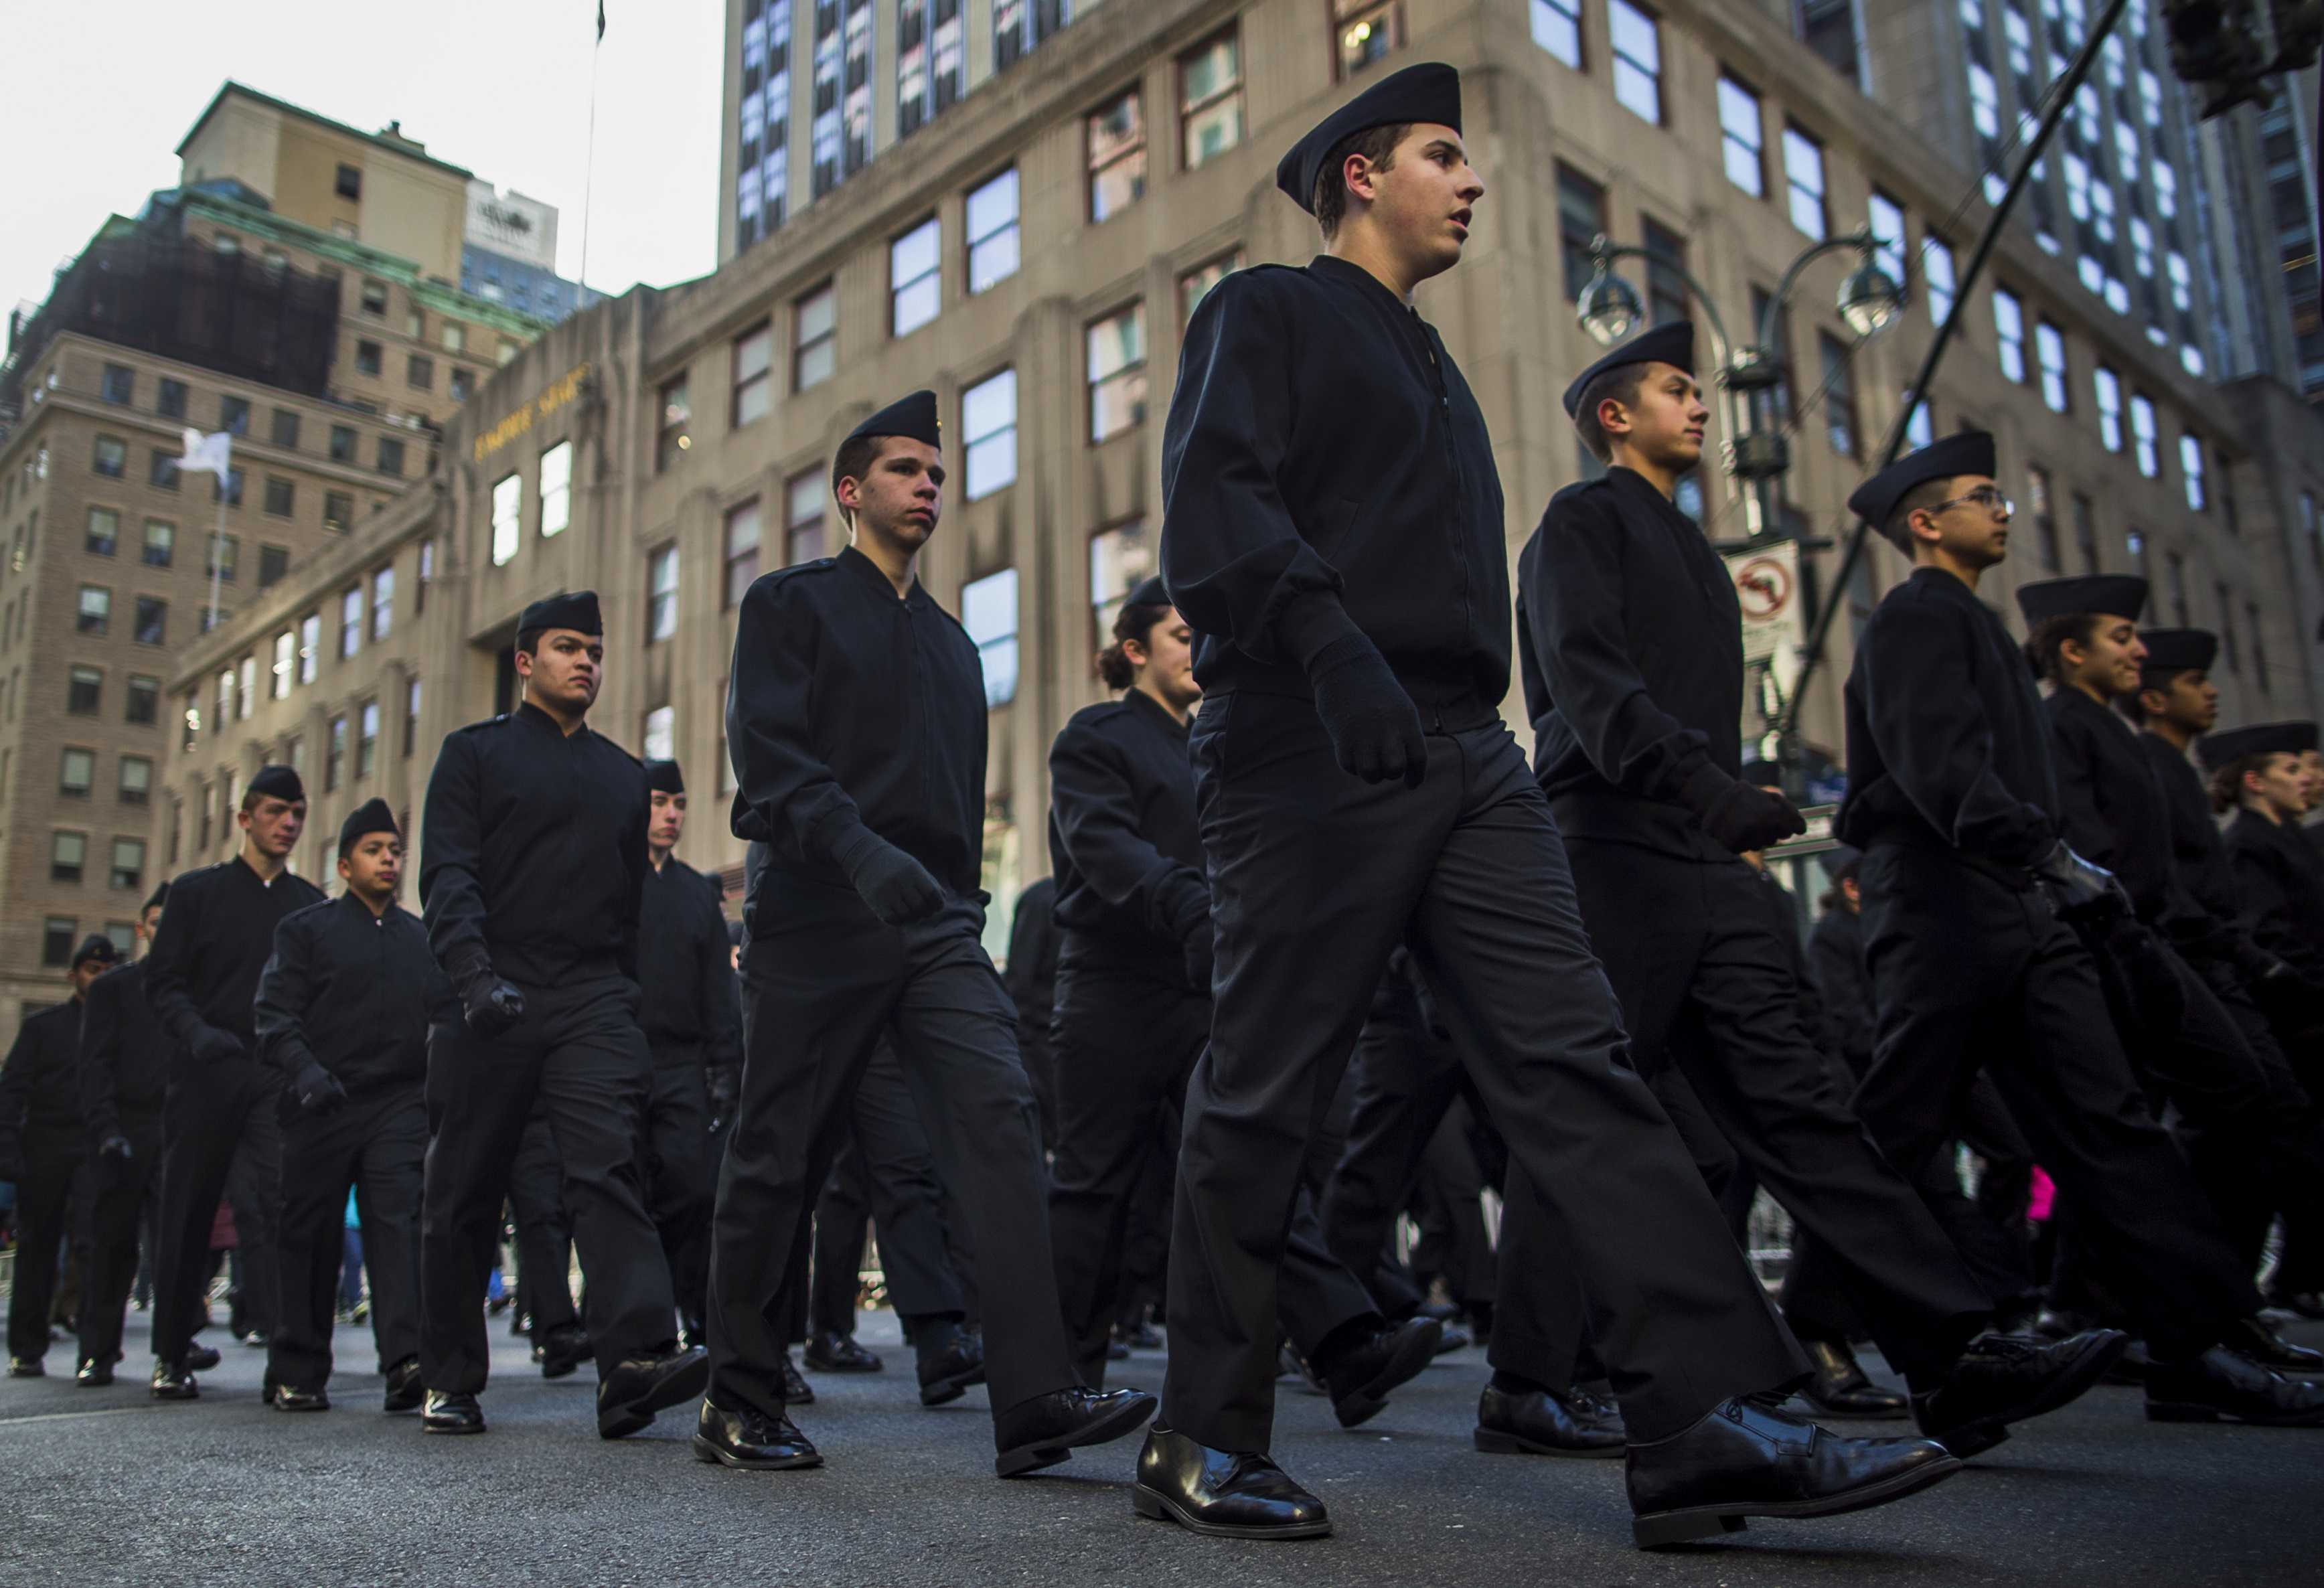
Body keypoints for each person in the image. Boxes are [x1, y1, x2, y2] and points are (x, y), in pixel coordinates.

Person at [1147, 62, 1960, 1547]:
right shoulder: (1262, 312)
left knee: (1581, 1066)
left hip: (1468, 756)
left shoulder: (1446, 379)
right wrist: (1335, 661)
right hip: (1301, 748)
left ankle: (1705, 1416)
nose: (1470, 182)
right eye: (1441, 157)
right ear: (1357, 176)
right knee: (1267, 1087)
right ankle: (1197, 1432)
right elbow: (1214, 508)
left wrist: (1460, 723)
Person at [1515, 321, 2116, 1457]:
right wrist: (1708, 787)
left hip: (1708, 856)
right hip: (1614, 849)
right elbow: (1590, 693)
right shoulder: (1579, 525)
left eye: (1703, 392)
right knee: (1598, 1109)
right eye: (1676, 390)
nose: (1701, 407)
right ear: (1613, 414)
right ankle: (1528, 1375)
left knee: (1805, 1110)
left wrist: (1730, 798)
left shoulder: (1694, 550)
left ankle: (1953, 1354)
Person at [1835, 430, 2324, 1429]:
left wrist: (2047, 873)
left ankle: (2199, 1343)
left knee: (2109, 1126)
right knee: (1894, 1132)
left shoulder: (1962, 621)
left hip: (2020, 906)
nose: (2002, 507)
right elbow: (1938, 769)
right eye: (1981, 496)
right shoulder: (1914, 615)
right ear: (1925, 523)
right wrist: (2046, 853)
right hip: (1944, 910)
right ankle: (1823, 1330)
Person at [711, 390, 1156, 1478]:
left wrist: (961, 902)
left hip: (937, 928)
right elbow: (769, 765)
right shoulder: (789, 605)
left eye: (937, 474)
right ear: (851, 491)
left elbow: (962, 803)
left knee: (1001, 1116)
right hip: (819, 914)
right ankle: (740, 1396)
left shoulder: (957, 649)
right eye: (906, 469)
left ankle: (1034, 1393)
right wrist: (861, 853)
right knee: (783, 1151)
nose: (928, 486)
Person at [1044, 579, 1437, 1405]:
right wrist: (1185, 901)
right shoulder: (1096, 736)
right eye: (1181, 633)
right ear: (1136, 650)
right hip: (1110, 989)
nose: (1197, 648)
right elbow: (1101, 845)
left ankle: (1342, 1343)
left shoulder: (1212, 744)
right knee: (1093, 1183)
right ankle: (1060, 1384)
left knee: (1243, 1160)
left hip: (1208, 987)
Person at [417, 590, 705, 1439]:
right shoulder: (471, 755)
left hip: (589, 997)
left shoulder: (625, 777)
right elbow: (448, 876)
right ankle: (450, 1375)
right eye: (568, 647)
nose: (586, 661)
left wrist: (621, 1000)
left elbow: (626, 911)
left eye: (594, 650)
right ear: (525, 661)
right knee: (463, 1189)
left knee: (609, 1167)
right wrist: (473, 975)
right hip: (487, 994)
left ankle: (633, 1362)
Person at [2017, 584, 2324, 1367]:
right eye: (2122, 636)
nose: (2138, 650)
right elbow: (2094, 851)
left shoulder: (2126, 741)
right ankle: (2146, 1305)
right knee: (2157, 1120)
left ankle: (2180, 1302)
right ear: (2073, 650)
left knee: (2170, 1118)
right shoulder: (2066, 727)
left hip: (2160, 948)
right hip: (2126, 947)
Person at [252, 799, 449, 1413]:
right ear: (343, 865)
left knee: (398, 1225)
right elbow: (273, 1016)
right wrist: (306, 1073)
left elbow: (442, 1024)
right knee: (308, 1236)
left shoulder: (421, 937)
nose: (389, 859)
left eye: (395, 850)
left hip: (397, 1106)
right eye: (374, 850)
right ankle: (298, 1368)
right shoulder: (305, 931)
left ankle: (406, 1362)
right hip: (320, 1102)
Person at [144, 765, 327, 1398]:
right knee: (188, 1210)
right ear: (244, 818)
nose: (289, 823)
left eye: (298, 813)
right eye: (277, 811)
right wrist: (198, 1035)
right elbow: (162, 984)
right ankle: (170, 1352)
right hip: (204, 1075)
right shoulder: (196, 894)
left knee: (279, 1212)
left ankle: (287, 1365)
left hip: (274, 1080)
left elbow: (319, 997)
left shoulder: (308, 906)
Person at [636, 759, 743, 1350]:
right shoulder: (611, 883)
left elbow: (716, 993)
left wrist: (724, 1069)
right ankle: (640, 1323)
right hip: (619, 1058)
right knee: (628, 1196)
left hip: (682, 1066)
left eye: (678, 803)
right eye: (658, 802)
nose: (671, 814)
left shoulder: (697, 895)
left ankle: (689, 1308)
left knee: (693, 1189)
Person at [1, 935, 120, 1376]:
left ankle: (96, 1350)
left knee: (95, 1250)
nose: (101, 978)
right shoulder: (42, 1028)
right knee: (37, 1250)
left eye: (108, 971)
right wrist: (10, 1152)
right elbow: (11, 1093)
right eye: (93, 970)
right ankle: (27, 1348)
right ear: (73, 976)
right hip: (45, 1150)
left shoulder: (122, 1032)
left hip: (98, 1151)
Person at [77, 888, 173, 1385]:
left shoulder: (192, 990)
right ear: (142, 929)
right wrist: (106, 1130)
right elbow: (94, 1067)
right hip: (123, 1131)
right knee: (112, 1247)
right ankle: (98, 1351)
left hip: (176, 1130)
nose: (164, 930)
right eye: (156, 921)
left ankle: (174, 1352)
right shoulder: (113, 989)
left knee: (176, 1246)